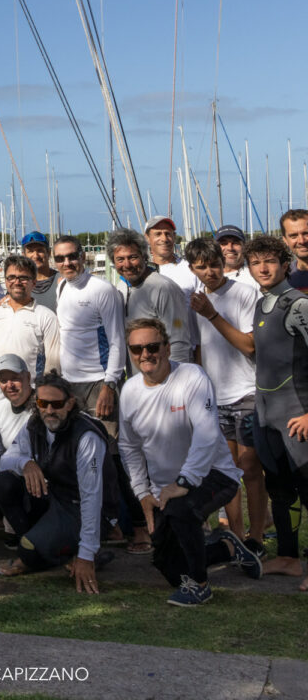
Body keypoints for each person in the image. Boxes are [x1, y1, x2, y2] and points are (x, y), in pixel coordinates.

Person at [118, 318, 262, 606]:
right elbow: (128, 446)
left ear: (167, 348)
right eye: (136, 349)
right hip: (165, 488)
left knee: (182, 509)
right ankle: (228, 548)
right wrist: (143, 493)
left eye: (152, 346)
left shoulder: (192, 377)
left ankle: (200, 586)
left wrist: (184, 482)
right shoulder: (130, 391)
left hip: (214, 474)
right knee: (169, 566)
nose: (145, 354)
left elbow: (207, 434)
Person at [0, 371, 114, 593]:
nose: (49, 410)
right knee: (4, 482)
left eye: (56, 404)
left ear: (70, 404)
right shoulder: (35, 424)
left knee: (29, 551)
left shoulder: (86, 436)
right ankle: (41, 547)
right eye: (42, 403)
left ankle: (67, 553)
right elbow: (5, 461)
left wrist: (86, 554)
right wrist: (26, 463)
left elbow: (92, 497)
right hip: (57, 500)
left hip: (87, 508)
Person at [184, 236, 267, 553]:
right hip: (215, 398)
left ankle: (256, 538)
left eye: (214, 265)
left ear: (223, 262)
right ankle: (236, 538)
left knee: (251, 469)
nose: (210, 272)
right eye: (201, 267)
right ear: (192, 269)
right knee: (228, 473)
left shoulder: (244, 293)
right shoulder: (196, 302)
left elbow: (249, 345)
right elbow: (198, 349)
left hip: (247, 393)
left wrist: (212, 315)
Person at [244, 233, 308, 586]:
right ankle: (288, 557)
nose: (263, 268)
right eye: (255, 263)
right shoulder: (261, 304)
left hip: (298, 412)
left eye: (270, 261)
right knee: (280, 489)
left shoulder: (299, 305)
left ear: (285, 265)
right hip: (267, 413)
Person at [52, 235, 124, 437]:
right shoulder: (62, 286)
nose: (67, 263)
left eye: (72, 256)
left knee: (107, 445)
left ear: (83, 257)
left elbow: (117, 341)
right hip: (69, 384)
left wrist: (110, 385)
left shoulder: (102, 290)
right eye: (60, 258)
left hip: (99, 383)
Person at [0, 254, 59, 401]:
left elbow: (53, 364)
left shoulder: (46, 317)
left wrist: (44, 398)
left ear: (34, 282)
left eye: (23, 278)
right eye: (11, 277)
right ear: (6, 281)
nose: (17, 282)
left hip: (31, 401)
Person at [109, 228, 191, 362]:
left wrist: (175, 374)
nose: (127, 264)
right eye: (120, 259)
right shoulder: (121, 287)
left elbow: (179, 341)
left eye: (133, 257)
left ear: (144, 257)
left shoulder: (164, 288)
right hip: (138, 374)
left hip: (165, 372)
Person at [0, 354, 35, 521]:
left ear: (28, 377)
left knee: (6, 483)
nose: (9, 385)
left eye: (15, 378)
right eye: (3, 381)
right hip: (9, 474)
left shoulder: (43, 405)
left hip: (38, 478)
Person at [145, 215, 199, 300]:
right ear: (147, 238)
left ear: (174, 236)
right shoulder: (142, 272)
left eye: (167, 234)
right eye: (158, 234)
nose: (164, 239)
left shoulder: (191, 269)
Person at [20, 231, 59, 313]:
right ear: (24, 255)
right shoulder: (19, 284)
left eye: (40, 250)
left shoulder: (61, 281)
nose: (36, 256)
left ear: (48, 253)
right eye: (30, 251)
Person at [280, 208, 308, 294]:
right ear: (285, 240)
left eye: (306, 234)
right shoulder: (282, 278)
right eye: (293, 236)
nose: (301, 241)